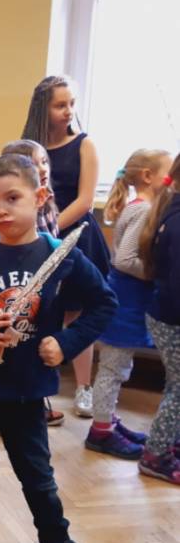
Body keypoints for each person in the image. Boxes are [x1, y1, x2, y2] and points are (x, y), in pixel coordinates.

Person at [0, 154, 115, 543]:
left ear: (39, 196)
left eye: (12, 198)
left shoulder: (60, 256)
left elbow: (104, 304)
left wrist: (66, 342)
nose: (1, 211)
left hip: (26, 391)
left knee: (38, 475)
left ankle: (55, 542)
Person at [22, 75, 110, 418]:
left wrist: (50, 230)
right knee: (40, 313)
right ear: (43, 108)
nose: (68, 111)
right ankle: (38, 390)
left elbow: (85, 201)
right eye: (60, 105)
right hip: (40, 239)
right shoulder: (29, 148)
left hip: (77, 238)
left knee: (77, 313)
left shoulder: (85, 145)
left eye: (71, 103)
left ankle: (84, 388)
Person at [86, 149, 172, 458]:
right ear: (148, 176)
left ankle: (107, 421)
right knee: (113, 367)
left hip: (128, 297)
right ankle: (100, 431)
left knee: (118, 365)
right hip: (125, 298)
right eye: (168, 173)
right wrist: (155, 273)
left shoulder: (140, 207)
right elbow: (124, 259)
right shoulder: (144, 210)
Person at [2, 139, 65, 427]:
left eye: (43, 161)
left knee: (41, 340)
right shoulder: (19, 210)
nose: (42, 168)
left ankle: (36, 402)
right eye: (32, 163)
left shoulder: (48, 200)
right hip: (25, 282)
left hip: (47, 278)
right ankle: (10, 404)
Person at [137, 153, 180, 483]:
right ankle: (155, 455)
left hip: (165, 314)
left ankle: (168, 444)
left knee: (176, 386)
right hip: (172, 318)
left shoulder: (171, 210)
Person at [1, 139, 60, 237]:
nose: (43, 169)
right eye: (33, 165)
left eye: (44, 162)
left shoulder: (48, 198)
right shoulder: (18, 212)